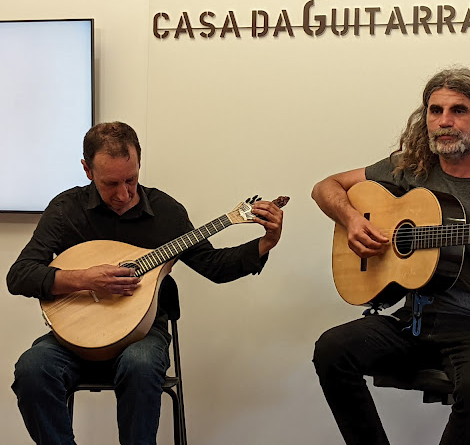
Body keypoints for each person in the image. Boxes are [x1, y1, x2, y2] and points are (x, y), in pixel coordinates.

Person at [311, 67, 470, 445]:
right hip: (417, 323)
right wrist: (353, 219)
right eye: (435, 110)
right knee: (332, 350)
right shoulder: (411, 168)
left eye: (459, 110)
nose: (444, 121)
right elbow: (325, 187)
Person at [7, 121, 284, 445]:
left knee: (139, 363)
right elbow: (20, 275)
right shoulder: (66, 210)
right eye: (111, 183)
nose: (123, 194)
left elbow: (214, 267)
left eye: (131, 179)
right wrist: (85, 278)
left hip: (142, 334)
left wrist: (266, 242)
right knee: (32, 368)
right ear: (87, 170)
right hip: (75, 339)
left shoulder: (166, 212)